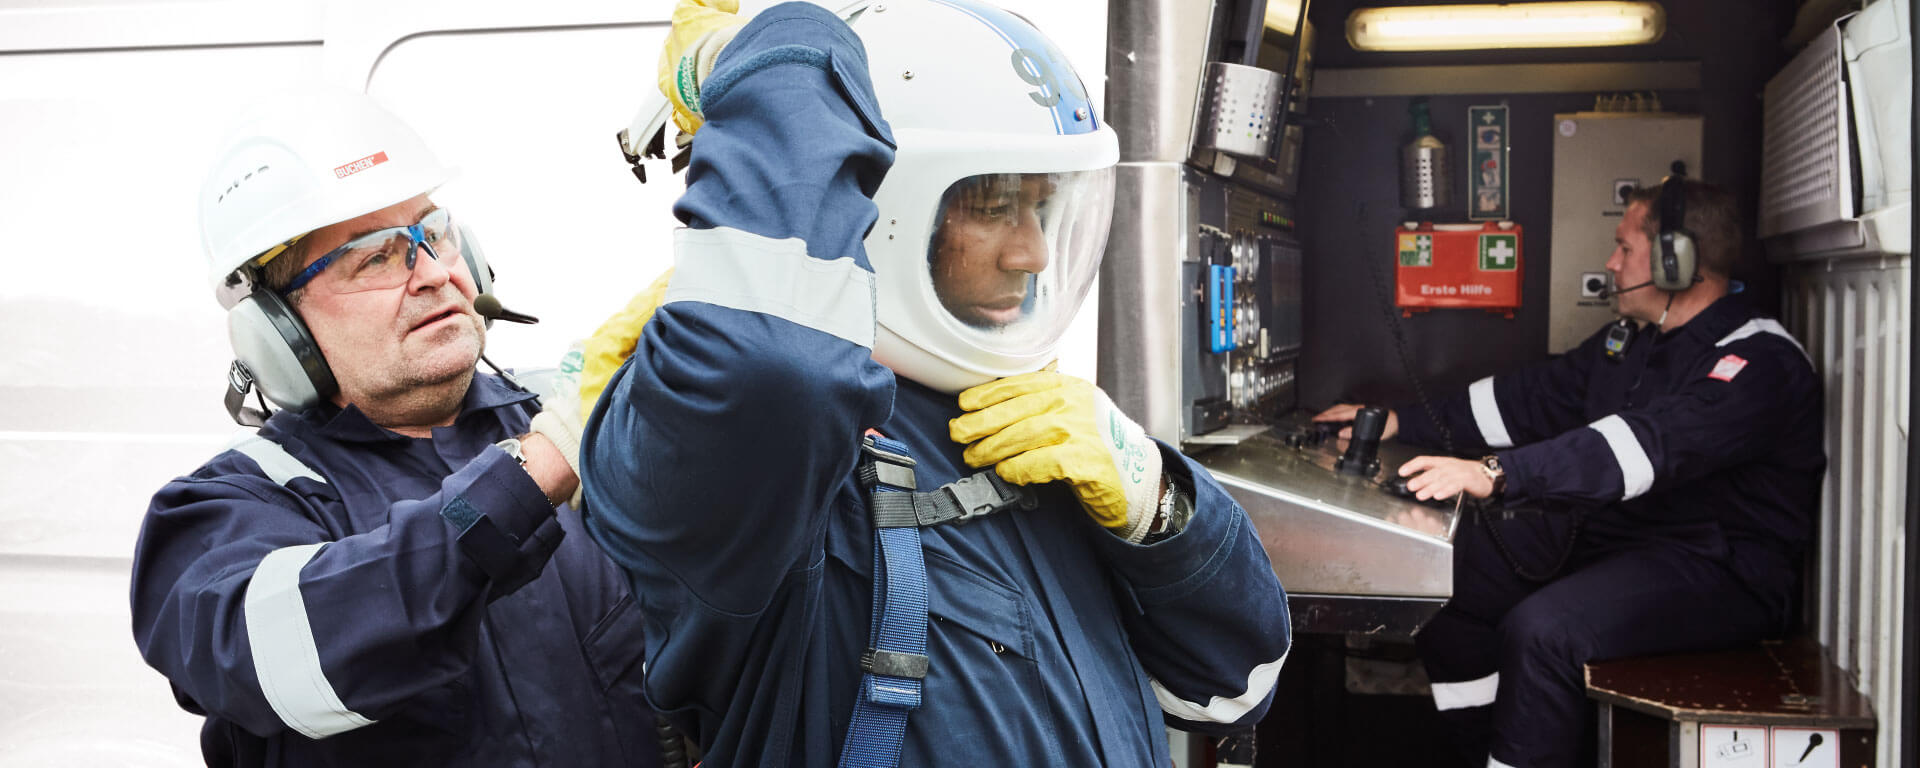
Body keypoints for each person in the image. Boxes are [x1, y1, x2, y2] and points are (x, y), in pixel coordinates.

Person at [578, 1, 1292, 766]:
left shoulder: (1033, 417)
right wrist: (768, 54)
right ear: (874, 210)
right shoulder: (754, 446)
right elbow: (773, 366)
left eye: (1043, 208)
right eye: (992, 206)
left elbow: (1234, 686)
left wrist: (1157, 502)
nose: (1035, 253)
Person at [130, 89, 664, 767]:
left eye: (433, 233)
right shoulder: (222, 513)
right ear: (281, 331)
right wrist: (541, 466)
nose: (437, 274)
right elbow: (284, 655)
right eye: (377, 258)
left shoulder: (574, 417)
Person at [1315, 177, 1824, 767]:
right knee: (1445, 577)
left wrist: (1495, 474)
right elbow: (1524, 400)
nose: (1610, 263)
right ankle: (1482, 750)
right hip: (1629, 541)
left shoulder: (1758, 361)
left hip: (1721, 570)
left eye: (1625, 248)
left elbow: (1645, 447)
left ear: (1676, 262)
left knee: (1545, 632)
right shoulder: (1632, 341)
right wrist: (1404, 421)